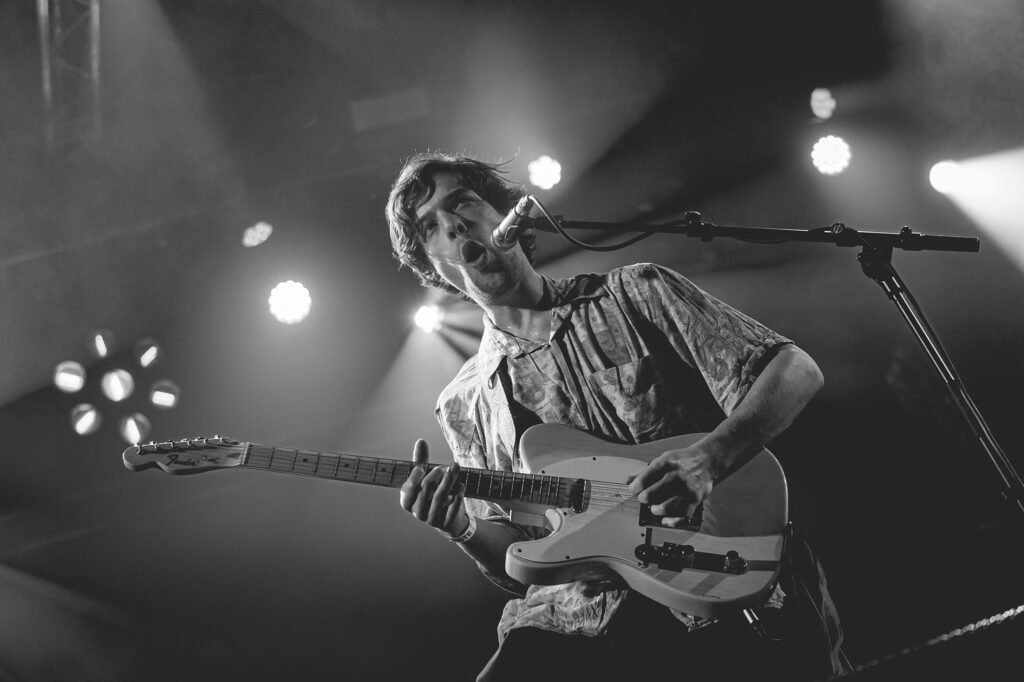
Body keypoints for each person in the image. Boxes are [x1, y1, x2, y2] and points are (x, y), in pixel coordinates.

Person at [386, 151, 846, 681]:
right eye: (431, 228)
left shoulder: (635, 293)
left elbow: (796, 370)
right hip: (571, 623)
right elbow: (521, 560)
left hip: (711, 575)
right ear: (433, 267)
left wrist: (709, 459)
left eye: (462, 201)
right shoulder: (462, 403)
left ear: (506, 212)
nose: (454, 224)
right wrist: (462, 528)